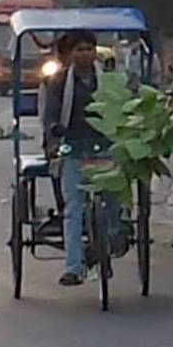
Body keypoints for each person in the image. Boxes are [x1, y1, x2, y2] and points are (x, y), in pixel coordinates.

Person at [42, 29, 116, 286]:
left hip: (106, 147)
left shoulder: (110, 80)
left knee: (112, 202)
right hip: (72, 147)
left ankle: (106, 247)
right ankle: (73, 267)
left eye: (89, 49)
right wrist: (53, 135)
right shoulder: (59, 82)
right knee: (73, 208)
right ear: (71, 54)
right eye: (79, 49)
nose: (85, 54)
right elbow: (51, 115)